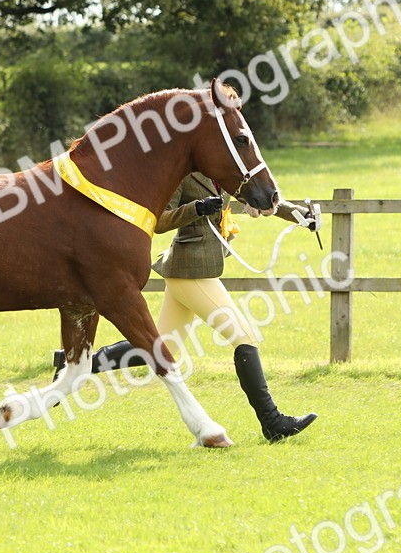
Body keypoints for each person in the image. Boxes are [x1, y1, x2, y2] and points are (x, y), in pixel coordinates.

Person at [50, 172, 318, 442]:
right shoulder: (185, 176)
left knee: (160, 346)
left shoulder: (224, 171)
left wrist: (299, 215)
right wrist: (197, 209)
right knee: (244, 337)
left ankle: (71, 361)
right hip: (190, 272)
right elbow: (161, 220)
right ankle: (272, 422)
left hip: (197, 271)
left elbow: (257, 194)